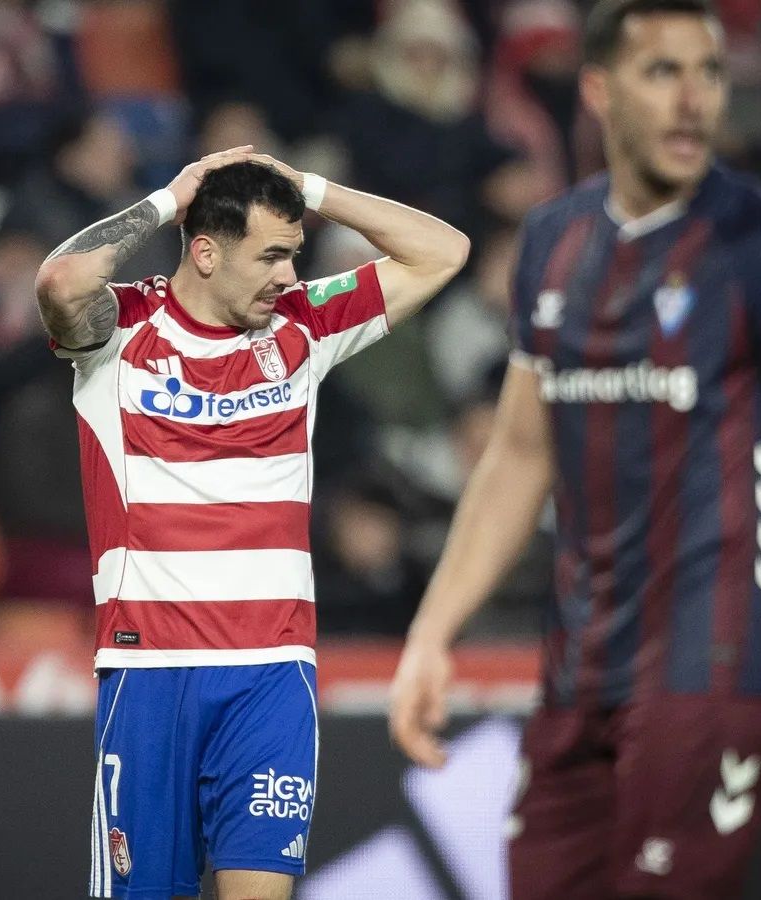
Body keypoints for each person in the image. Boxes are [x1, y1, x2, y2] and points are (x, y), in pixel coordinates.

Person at [387, 2, 761, 898]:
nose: (693, 100)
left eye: (709, 73)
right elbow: (519, 454)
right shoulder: (553, 241)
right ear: (597, 90)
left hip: (716, 662)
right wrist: (434, 633)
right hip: (582, 664)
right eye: (662, 72)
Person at [34, 149, 467, 899]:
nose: (288, 277)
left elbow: (444, 251)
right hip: (150, 674)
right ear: (204, 252)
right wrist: (172, 198)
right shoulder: (121, 331)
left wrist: (311, 189)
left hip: (271, 674)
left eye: (294, 256)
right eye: (271, 255)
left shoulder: (304, 327)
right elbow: (60, 281)